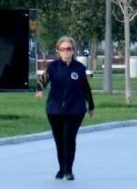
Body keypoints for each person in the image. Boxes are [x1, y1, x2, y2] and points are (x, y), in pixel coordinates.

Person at [34, 36, 94, 180]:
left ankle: (68, 170)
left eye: (68, 49)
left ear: (73, 50)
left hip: (75, 110)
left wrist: (91, 106)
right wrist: (39, 90)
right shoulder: (53, 67)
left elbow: (86, 88)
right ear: (58, 50)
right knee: (59, 140)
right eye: (63, 49)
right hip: (54, 110)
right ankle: (61, 168)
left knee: (69, 138)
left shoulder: (79, 68)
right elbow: (42, 81)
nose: (66, 52)